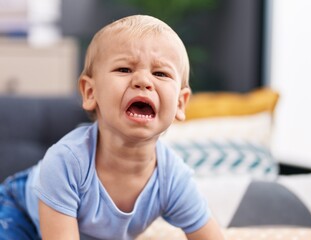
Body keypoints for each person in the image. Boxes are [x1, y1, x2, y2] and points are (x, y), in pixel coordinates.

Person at [0, 15, 225, 240]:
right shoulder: (66, 162)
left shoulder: (172, 178)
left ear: (180, 103)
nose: (144, 81)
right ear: (90, 92)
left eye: (160, 74)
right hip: (18, 213)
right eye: (124, 69)